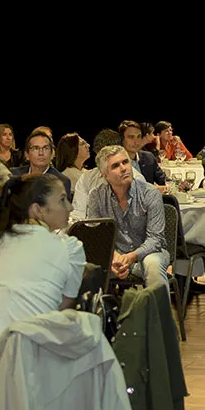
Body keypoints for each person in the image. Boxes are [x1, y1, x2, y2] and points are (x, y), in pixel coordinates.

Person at [0, 175, 85, 334]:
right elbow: (63, 309)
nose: (70, 207)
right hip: (36, 345)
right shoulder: (70, 248)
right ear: (38, 209)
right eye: (62, 200)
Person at [86, 145, 168, 288]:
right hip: (114, 255)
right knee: (85, 267)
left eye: (125, 162)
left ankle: (158, 310)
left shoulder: (150, 193)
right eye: (115, 166)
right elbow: (95, 237)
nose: (123, 168)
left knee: (153, 265)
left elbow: (156, 239)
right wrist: (114, 257)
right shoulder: (97, 196)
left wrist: (130, 258)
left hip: (148, 252)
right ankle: (98, 309)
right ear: (104, 175)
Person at [72, 129, 146, 221]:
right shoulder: (86, 178)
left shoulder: (137, 179)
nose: (103, 163)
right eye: (100, 158)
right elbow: (78, 213)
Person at [11, 130, 73, 199]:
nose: (41, 153)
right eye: (36, 148)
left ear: (52, 154)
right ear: (26, 154)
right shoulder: (14, 175)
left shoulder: (62, 181)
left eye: (45, 148)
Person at [119, 120, 166, 187]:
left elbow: (163, 180)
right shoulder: (117, 163)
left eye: (138, 137)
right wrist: (153, 189)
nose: (136, 141)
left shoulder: (148, 157)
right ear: (122, 140)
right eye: (131, 137)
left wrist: (178, 183)